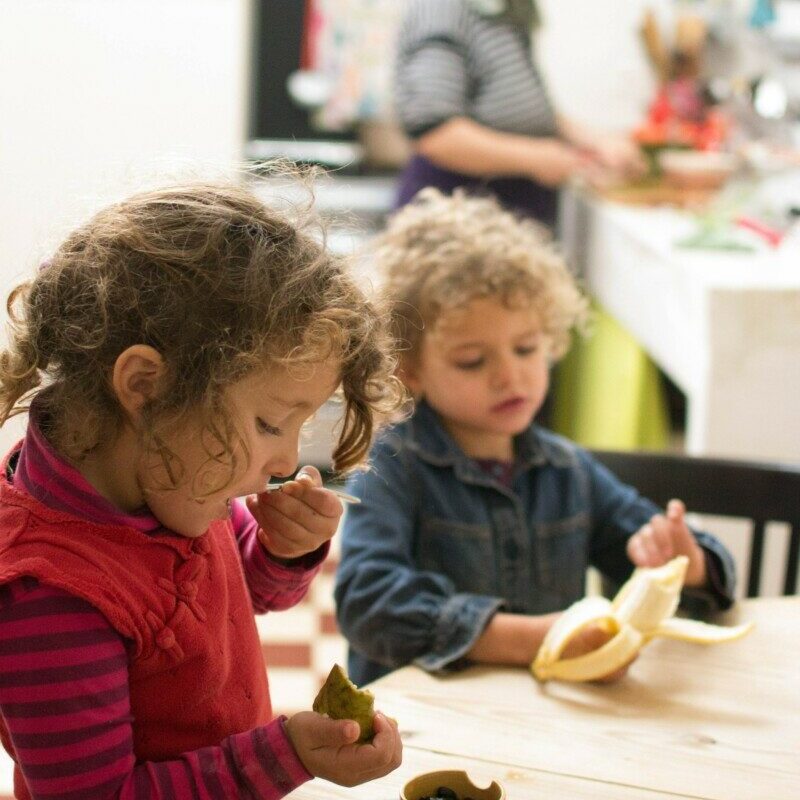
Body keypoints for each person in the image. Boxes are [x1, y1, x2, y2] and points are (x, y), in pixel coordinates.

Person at [0, 182, 403, 798]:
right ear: (145, 386)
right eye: (270, 423)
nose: (288, 460)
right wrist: (283, 754)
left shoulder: (166, 477)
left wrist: (283, 550)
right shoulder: (52, 597)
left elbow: (250, 590)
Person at [334, 189, 736, 687]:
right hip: (424, 729)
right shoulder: (394, 465)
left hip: (544, 728)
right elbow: (369, 604)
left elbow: (689, 571)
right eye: (473, 361)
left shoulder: (569, 470)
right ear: (408, 368)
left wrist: (689, 563)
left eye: (525, 348)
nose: (511, 377)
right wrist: (535, 638)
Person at [393, 0, 645, 223]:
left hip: (507, 211)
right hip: (456, 213)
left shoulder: (504, 8)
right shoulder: (442, 8)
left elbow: (522, 105)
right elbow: (436, 133)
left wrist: (594, 140)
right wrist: (537, 158)